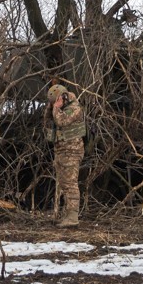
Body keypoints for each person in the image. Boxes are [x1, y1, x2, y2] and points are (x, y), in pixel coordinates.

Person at [45, 83, 85, 227]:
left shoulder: (75, 108)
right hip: (61, 150)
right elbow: (47, 122)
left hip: (72, 151)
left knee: (70, 184)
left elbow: (62, 121)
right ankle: (67, 215)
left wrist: (56, 107)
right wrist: (51, 108)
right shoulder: (61, 108)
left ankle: (73, 218)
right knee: (64, 183)